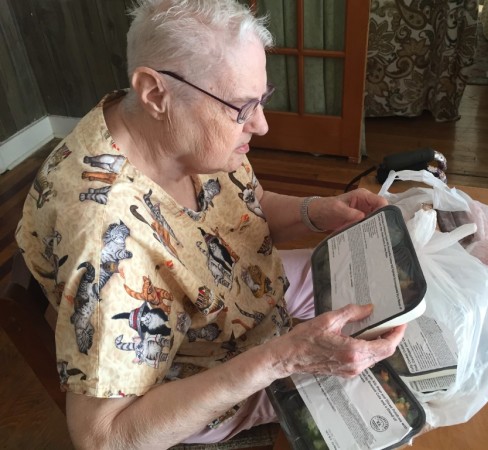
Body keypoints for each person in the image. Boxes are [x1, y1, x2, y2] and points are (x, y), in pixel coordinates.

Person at [15, 1, 406, 448]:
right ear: (154, 92)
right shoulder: (106, 240)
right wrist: (282, 358)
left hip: (253, 297)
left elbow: (248, 209)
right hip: (210, 378)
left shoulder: (178, 133)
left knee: (389, 292)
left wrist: (316, 210)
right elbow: (105, 438)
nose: (261, 124)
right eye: (241, 107)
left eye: (263, 99)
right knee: (393, 396)